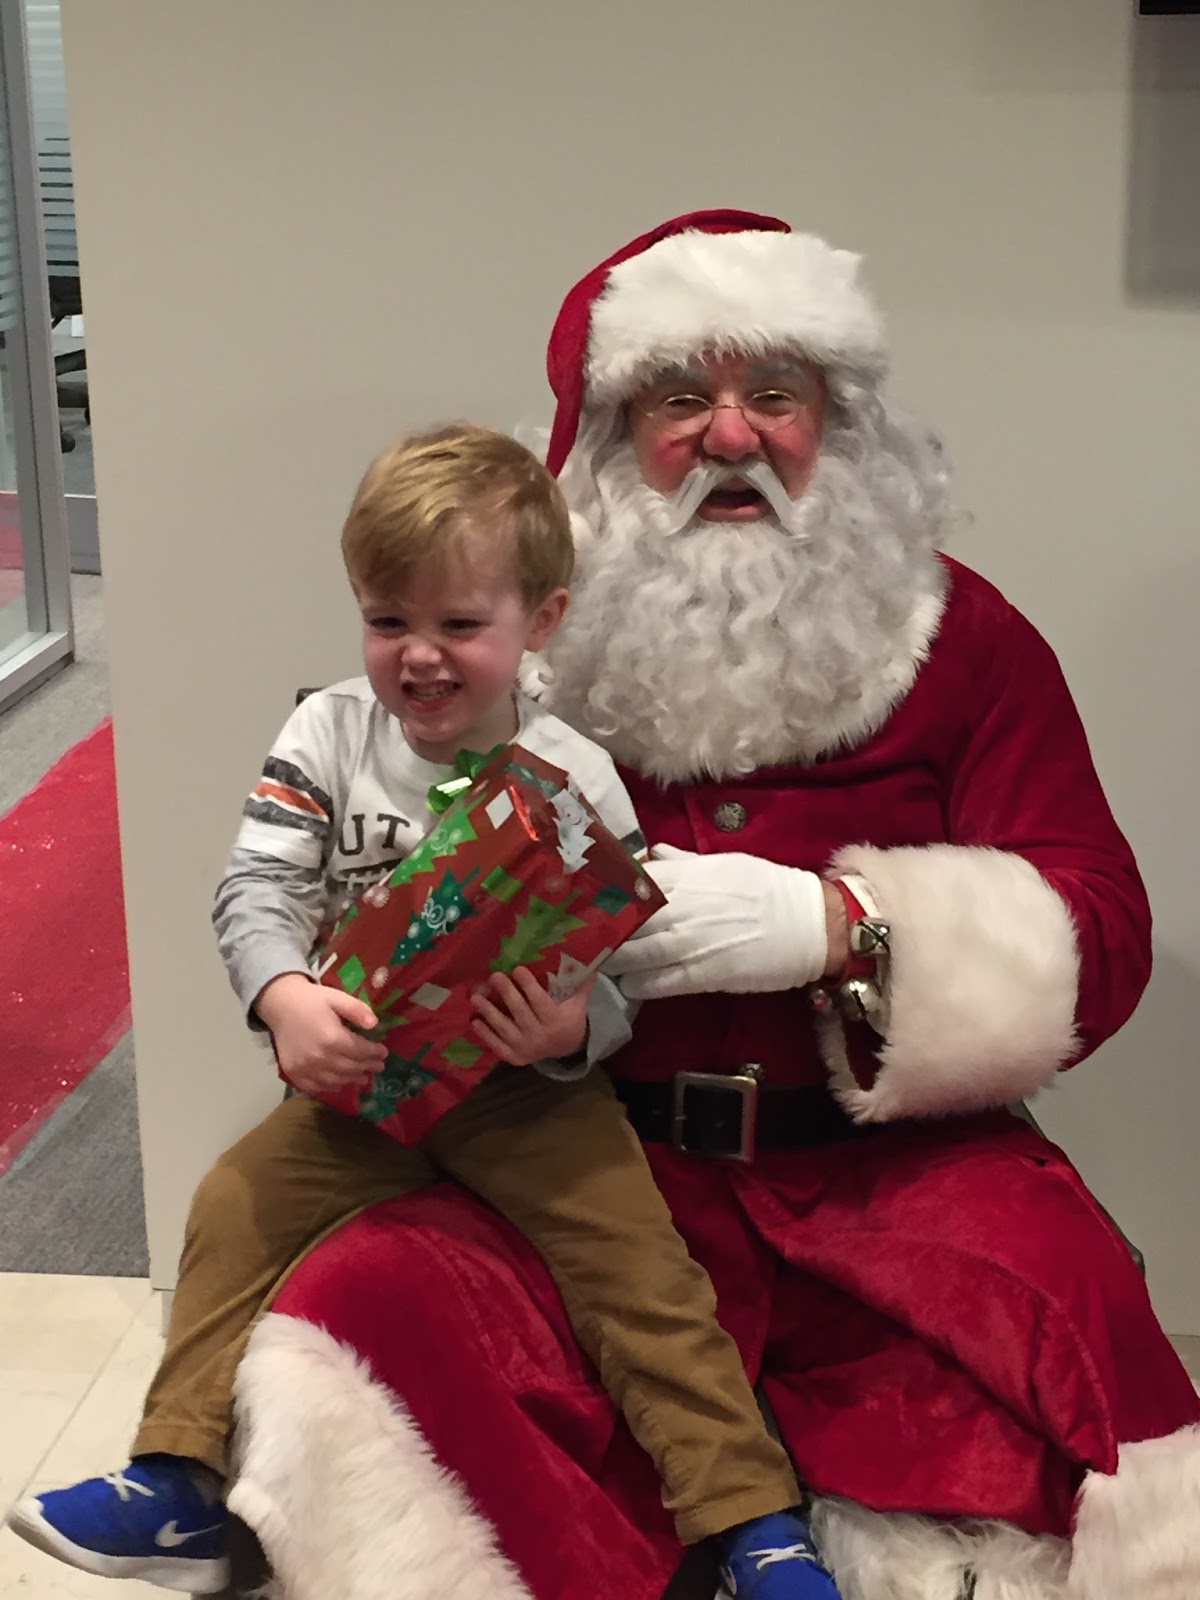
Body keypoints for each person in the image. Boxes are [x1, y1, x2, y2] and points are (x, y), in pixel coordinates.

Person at [202, 213, 1200, 1600]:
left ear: (838, 424)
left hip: (899, 1182)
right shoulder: (512, 644)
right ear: (610, 437)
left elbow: (1107, 928)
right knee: (355, 1329)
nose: (733, 437)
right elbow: (361, 872)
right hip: (580, 1163)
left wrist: (846, 927)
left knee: (1084, 1394)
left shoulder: (965, 641)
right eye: (680, 398)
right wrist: (446, 1003)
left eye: (775, 393)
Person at [5, 422, 846, 1600]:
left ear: (540, 621)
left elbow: (623, 964)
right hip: (362, 1086)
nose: (420, 655)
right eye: (387, 618)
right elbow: (256, 888)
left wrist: (574, 1031)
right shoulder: (328, 732)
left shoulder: (576, 774)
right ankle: (179, 1478)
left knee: (645, 1272)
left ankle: (753, 1522)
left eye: (459, 624)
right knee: (232, 1204)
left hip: (526, 1094)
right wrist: (283, 996)